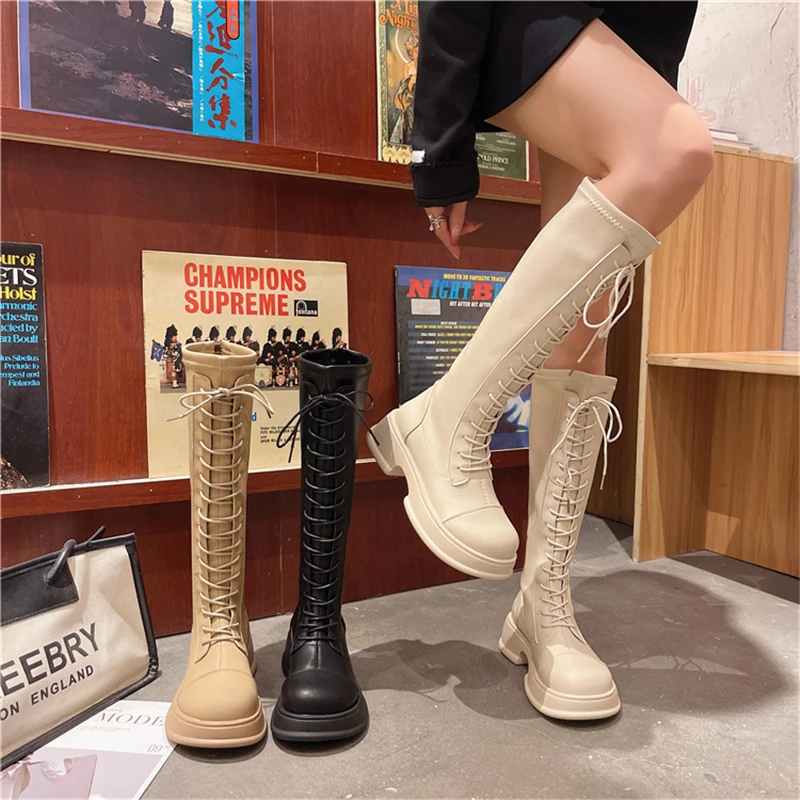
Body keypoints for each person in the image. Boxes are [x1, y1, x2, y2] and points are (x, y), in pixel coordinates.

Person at [368, 1, 712, 721]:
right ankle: (447, 417)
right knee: (675, 148)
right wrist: (441, 142)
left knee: (584, 325)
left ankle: (544, 604)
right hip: (528, 14)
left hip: (628, 35)